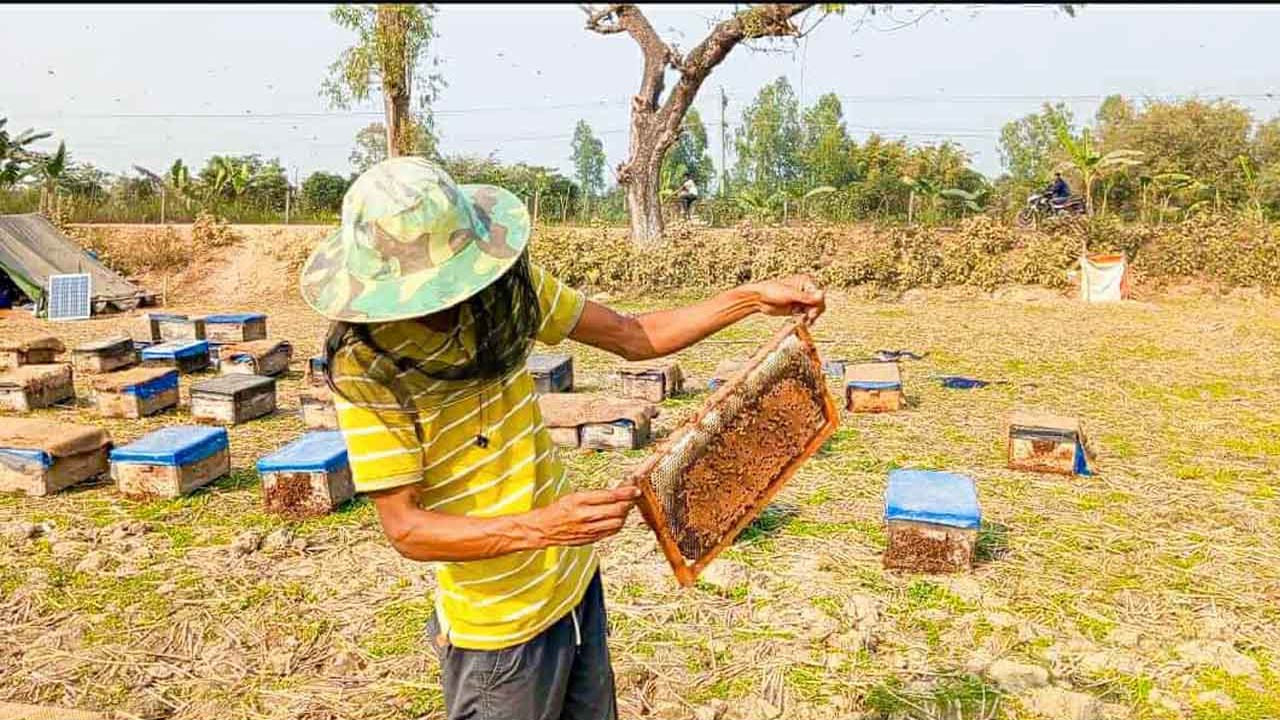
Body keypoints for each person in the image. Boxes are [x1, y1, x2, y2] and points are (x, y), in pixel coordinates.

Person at [299, 157, 826, 720]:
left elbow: (631, 335)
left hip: (575, 589)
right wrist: (543, 526)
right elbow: (407, 529)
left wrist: (746, 300)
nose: (451, 301)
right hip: (498, 633)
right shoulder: (367, 371)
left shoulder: (506, 292)